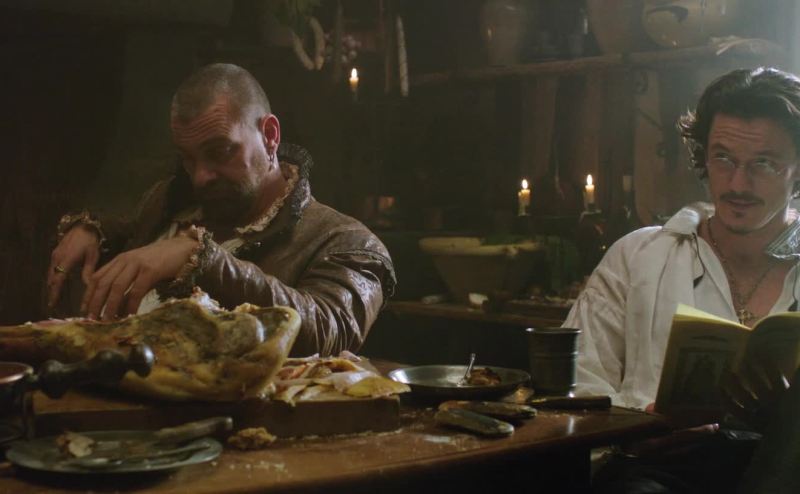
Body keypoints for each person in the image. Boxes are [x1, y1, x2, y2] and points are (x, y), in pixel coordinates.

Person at [45, 63, 396, 357]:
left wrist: (205, 260)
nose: (201, 176)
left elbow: (330, 330)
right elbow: (130, 231)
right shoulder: (168, 204)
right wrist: (92, 231)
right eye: (188, 158)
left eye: (220, 151)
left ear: (270, 135)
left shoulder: (346, 242)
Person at [564, 67, 800, 491]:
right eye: (723, 158)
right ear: (703, 157)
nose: (737, 183)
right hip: (653, 471)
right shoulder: (638, 256)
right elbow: (576, 385)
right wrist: (635, 432)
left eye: (764, 163)